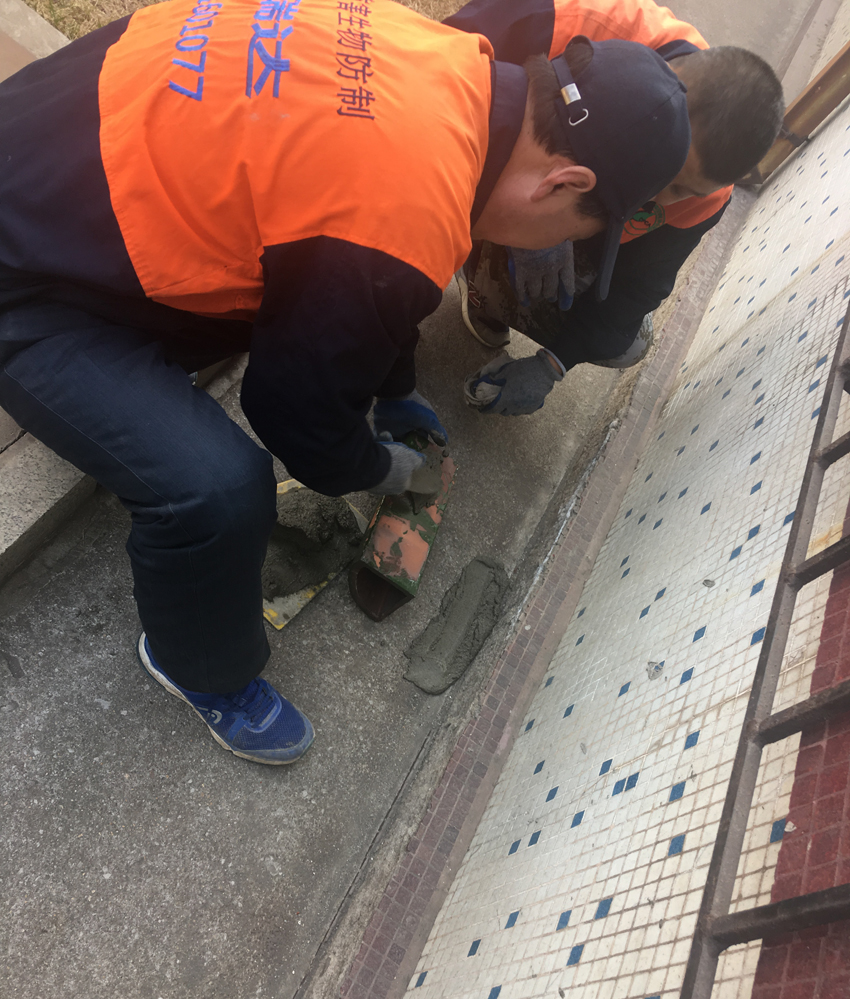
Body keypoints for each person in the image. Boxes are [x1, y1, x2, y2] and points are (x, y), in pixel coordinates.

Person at [0, 0, 691, 764]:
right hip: (24, 278)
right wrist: (376, 467)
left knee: (286, 278)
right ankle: (199, 670)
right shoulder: (407, 217)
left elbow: (358, 271)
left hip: (46, 133)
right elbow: (293, 415)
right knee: (219, 489)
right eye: (578, 232)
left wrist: (394, 388)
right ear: (563, 183)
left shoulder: (447, 60)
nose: (559, 246)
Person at [444, 0, 785, 415]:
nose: (653, 196)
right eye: (667, 170)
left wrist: (553, 364)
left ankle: (494, 290)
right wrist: (528, 228)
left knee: (629, 340)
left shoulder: (708, 195)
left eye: (682, 190)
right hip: (475, 170)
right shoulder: (566, 21)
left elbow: (637, 290)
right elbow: (430, 93)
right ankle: (479, 271)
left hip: (560, 210)